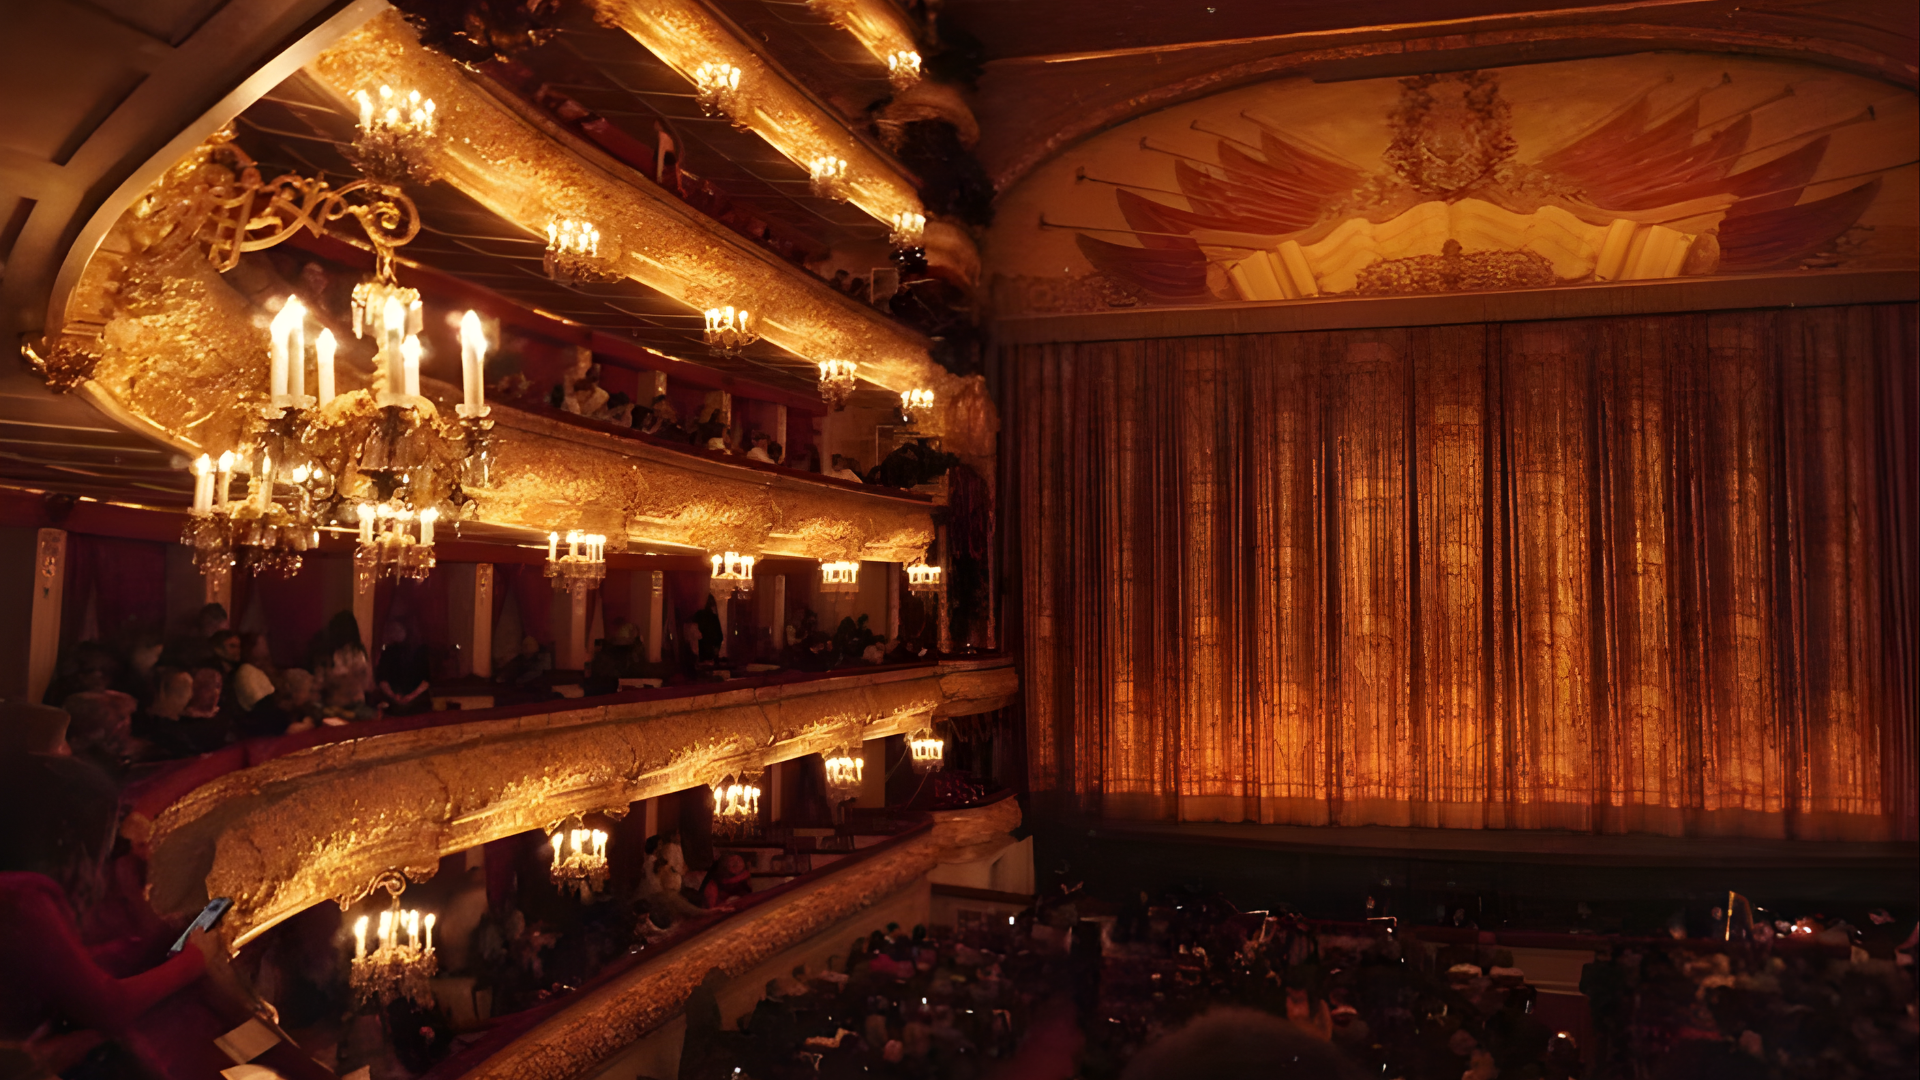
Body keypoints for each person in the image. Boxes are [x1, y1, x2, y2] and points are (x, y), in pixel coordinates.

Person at [0, 753, 213, 1080]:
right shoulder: (22, 896)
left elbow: (67, 973)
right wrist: (197, 959)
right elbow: (108, 1007)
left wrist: (151, 943)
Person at [375, 621, 431, 716]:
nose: (395, 633)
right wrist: (394, 696)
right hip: (395, 705)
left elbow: (426, 679)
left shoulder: (420, 651)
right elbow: (382, 679)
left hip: (416, 706)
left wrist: (409, 697)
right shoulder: (388, 652)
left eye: (399, 630)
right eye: (393, 630)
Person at [229, 633, 276, 712]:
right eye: (261, 643)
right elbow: (261, 706)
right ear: (251, 648)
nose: (266, 645)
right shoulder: (246, 672)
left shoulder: (261, 669)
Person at [693, 595, 724, 663]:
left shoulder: (698, 616)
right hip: (706, 653)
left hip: (701, 653)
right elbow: (719, 637)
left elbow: (719, 637)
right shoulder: (711, 617)